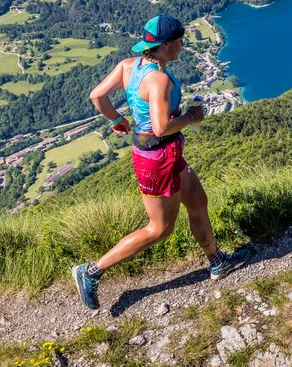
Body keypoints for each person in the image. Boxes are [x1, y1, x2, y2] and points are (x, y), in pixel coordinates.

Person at [72, 15, 248, 311]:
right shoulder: (158, 80)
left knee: (198, 201)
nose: (182, 45)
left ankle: (217, 261)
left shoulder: (129, 66)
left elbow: (97, 95)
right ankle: (91, 272)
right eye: (180, 41)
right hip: (157, 160)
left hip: (166, 153)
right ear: (166, 45)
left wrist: (116, 120)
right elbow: (161, 127)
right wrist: (191, 117)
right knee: (159, 229)